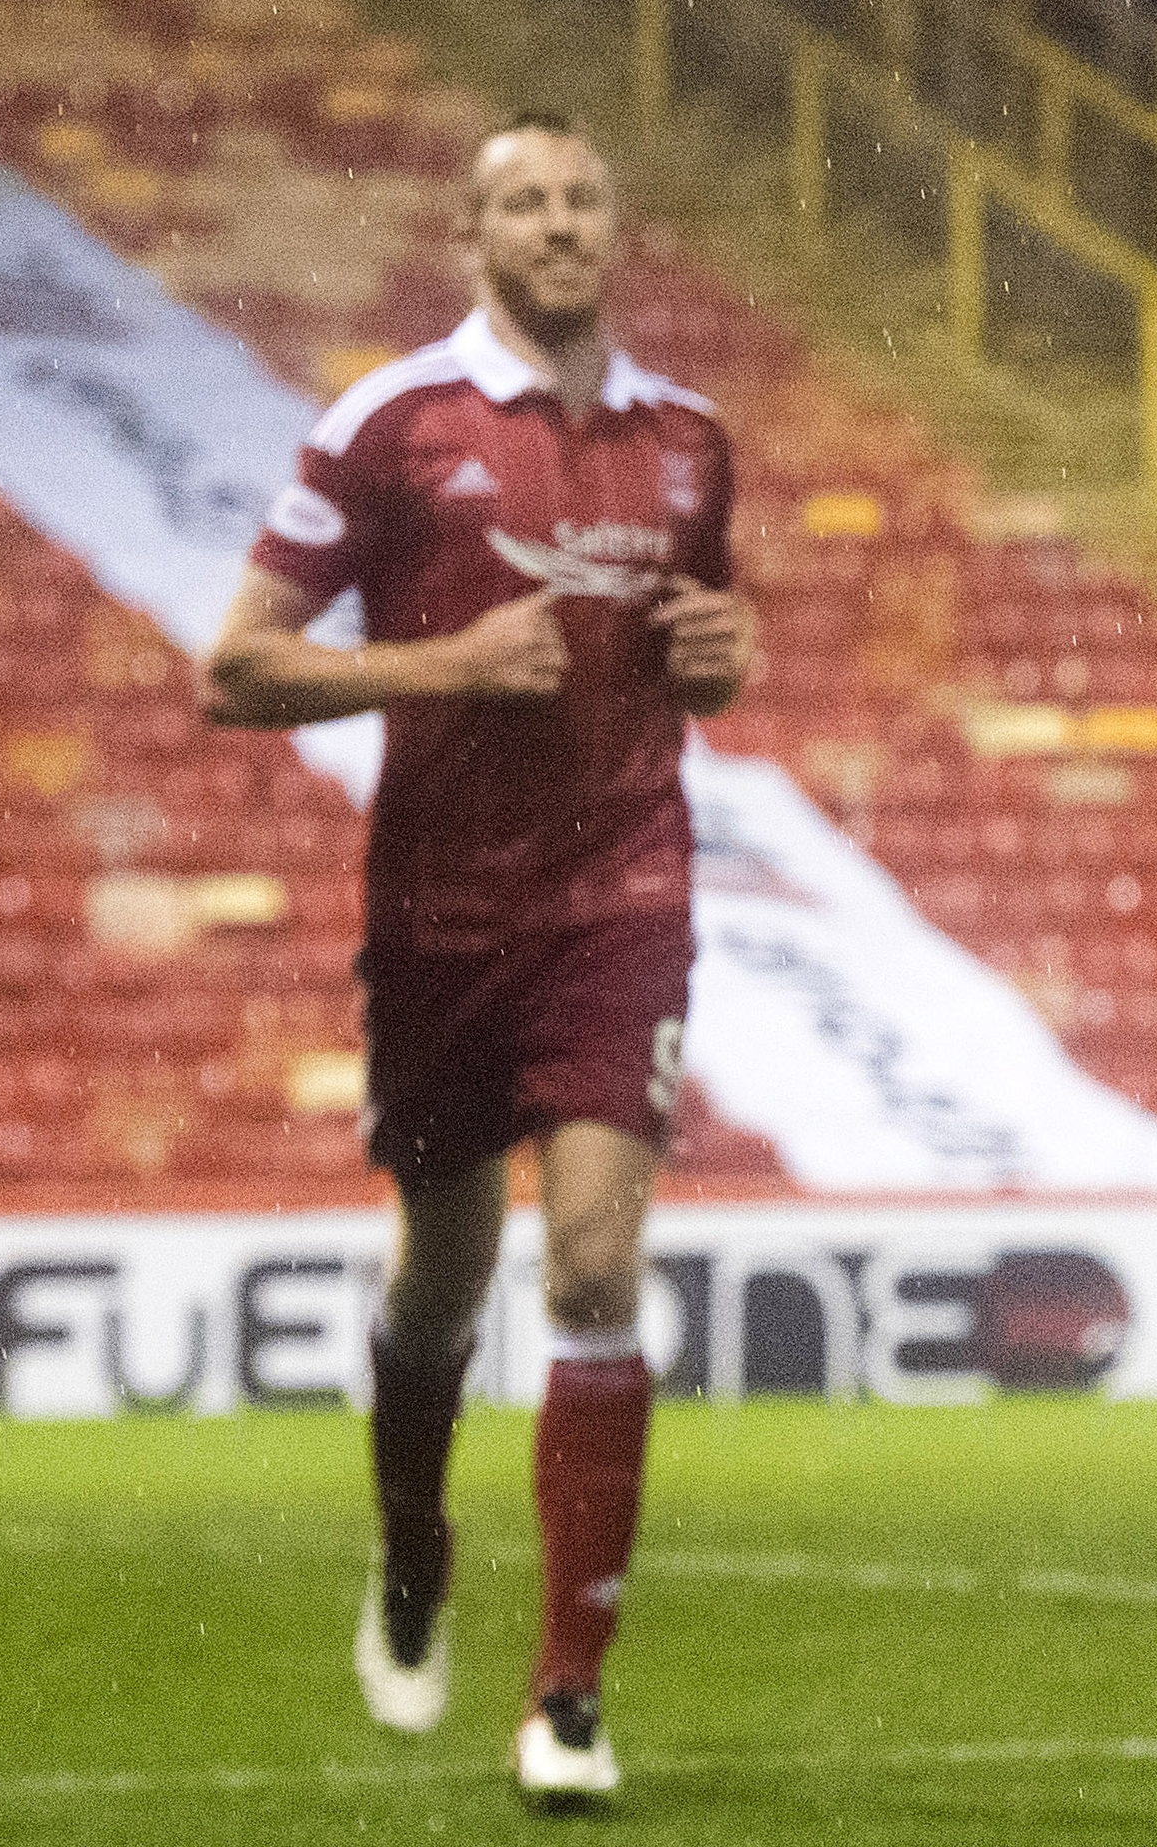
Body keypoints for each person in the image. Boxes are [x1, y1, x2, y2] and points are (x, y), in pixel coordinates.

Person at [199, 112, 758, 1799]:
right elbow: (237, 670)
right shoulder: (390, 425)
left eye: (584, 196)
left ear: (614, 225)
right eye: (525, 200)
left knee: (591, 1264)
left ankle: (568, 1701)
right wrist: (443, 669)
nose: (560, 223)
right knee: (440, 1276)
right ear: (472, 234)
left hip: (623, 900)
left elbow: (700, 653)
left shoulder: (688, 440)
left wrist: (723, 663)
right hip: (439, 919)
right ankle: (411, 1535)